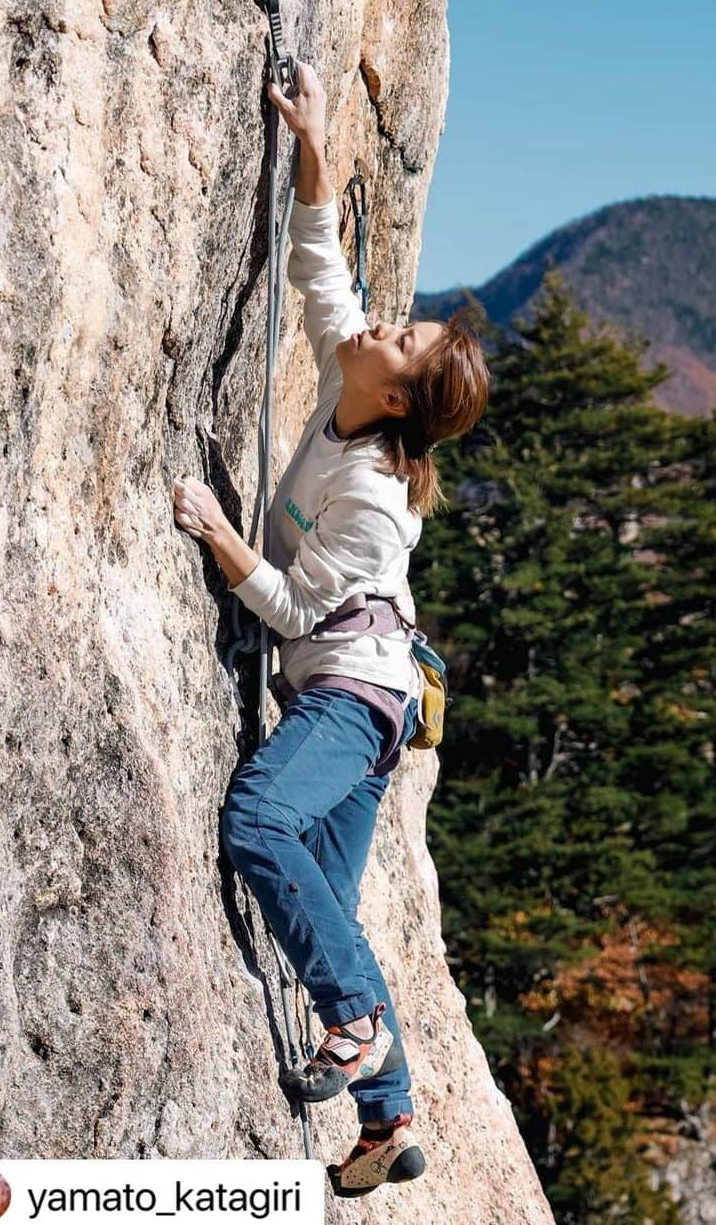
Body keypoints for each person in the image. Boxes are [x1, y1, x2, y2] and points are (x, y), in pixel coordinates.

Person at [171, 60, 490, 1196]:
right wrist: (311, 133)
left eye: (405, 338)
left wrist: (217, 528)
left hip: (358, 694)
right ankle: (386, 1117)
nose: (390, 322)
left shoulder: (373, 497)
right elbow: (318, 263)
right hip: (362, 696)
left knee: (259, 821)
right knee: (335, 911)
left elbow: (302, 608)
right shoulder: (353, 379)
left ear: (399, 396)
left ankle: (354, 1021)